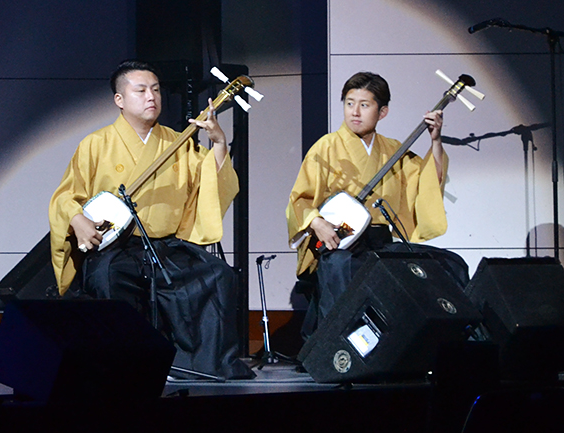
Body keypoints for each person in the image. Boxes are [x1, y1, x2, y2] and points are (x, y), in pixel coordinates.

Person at [49, 60, 254, 380]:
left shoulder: (178, 141)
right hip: (116, 249)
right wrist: (77, 220)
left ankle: (196, 365)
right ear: (119, 100)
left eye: (156, 90)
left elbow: (211, 183)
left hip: (166, 247)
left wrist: (218, 143)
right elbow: (66, 196)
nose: (151, 97)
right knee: (108, 279)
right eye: (141, 90)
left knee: (217, 275)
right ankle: (121, 366)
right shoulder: (95, 144)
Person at [286, 71, 468, 338]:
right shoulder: (325, 147)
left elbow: (429, 179)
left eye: (364, 104)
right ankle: (339, 349)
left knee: (450, 264)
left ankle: (441, 345)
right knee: (339, 267)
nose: (355, 112)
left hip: (382, 242)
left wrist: (435, 140)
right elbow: (299, 199)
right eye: (349, 103)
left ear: (382, 112)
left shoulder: (394, 150)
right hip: (343, 241)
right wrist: (317, 223)